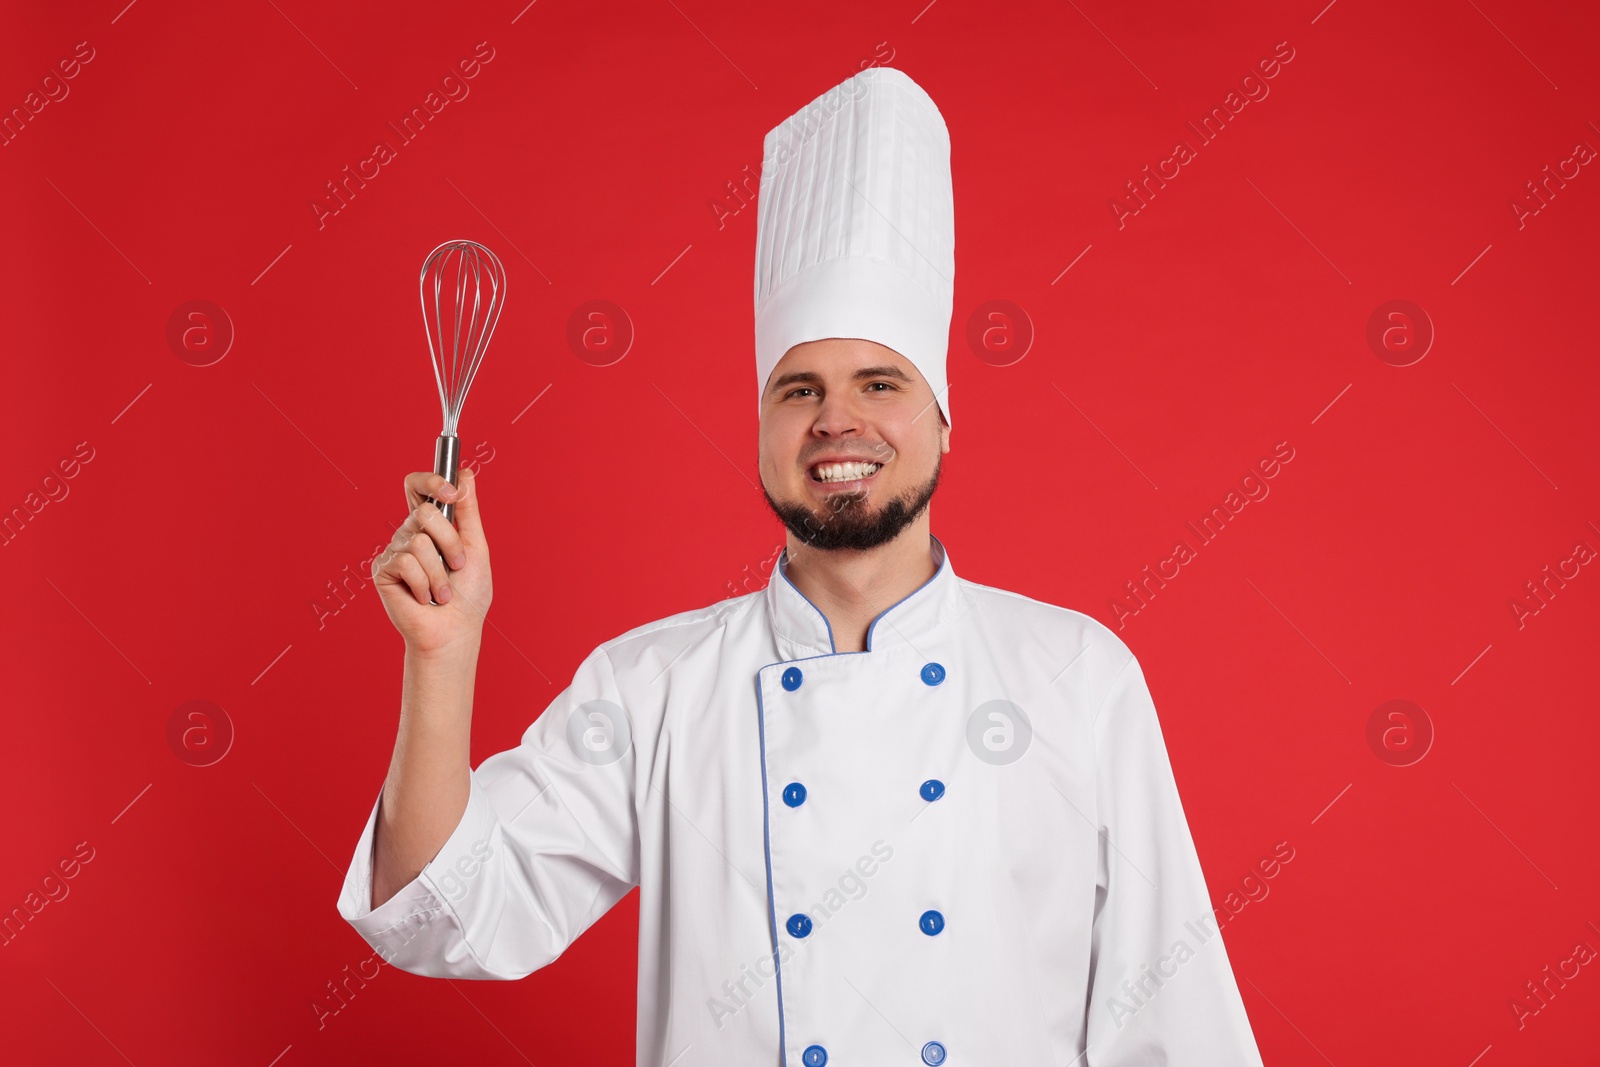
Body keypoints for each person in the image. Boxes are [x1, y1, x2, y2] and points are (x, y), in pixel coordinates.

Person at [338, 66, 1265, 1067]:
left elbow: (1176, 1025)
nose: (837, 421)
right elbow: (441, 909)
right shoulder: (653, 687)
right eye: (798, 388)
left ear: (942, 418)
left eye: (880, 381)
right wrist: (442, 653)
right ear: (761, 423)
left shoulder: (1078, 676)